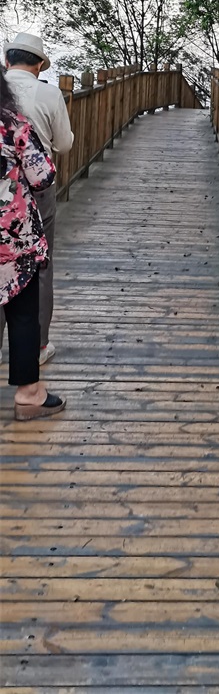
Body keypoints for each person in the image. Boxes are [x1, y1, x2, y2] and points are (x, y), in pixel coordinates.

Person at [0, 66, 66, 420]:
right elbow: (42, 177)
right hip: (11, 239)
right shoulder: (11, 124)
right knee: (23, 312)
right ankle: (29, 394)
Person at [4, 32, 74, 364]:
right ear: (39, 65)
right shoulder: (49, 94)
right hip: (35, 189)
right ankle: (38, 346)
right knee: (40, 264)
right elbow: (63, 144)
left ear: (7, 61)